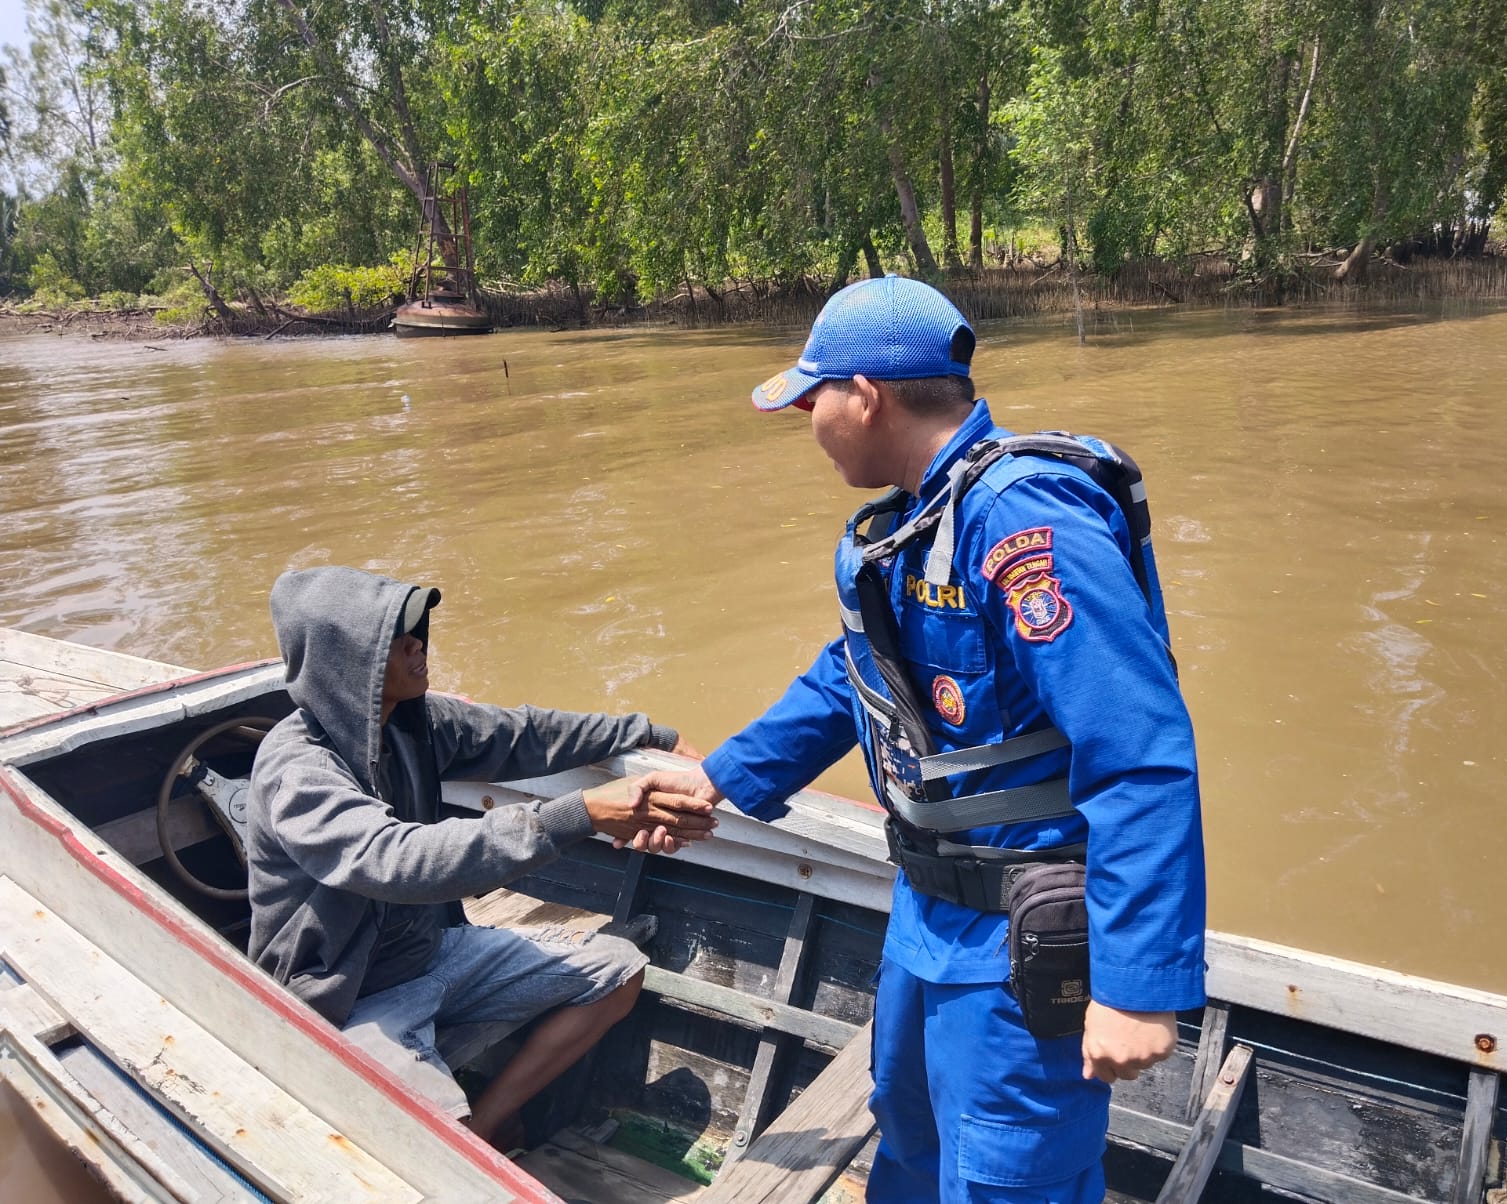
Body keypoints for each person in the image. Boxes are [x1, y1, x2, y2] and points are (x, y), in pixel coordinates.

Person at [631, 275, 1205, 1202]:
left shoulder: (1025, 522)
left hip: (1025, 937)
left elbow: (1138, 750)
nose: (806, 420)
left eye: (812, 399)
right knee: (909, 1142)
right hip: (927, 919)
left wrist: (1140, 985)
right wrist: (722, 780)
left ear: (866, 398)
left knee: (1009, 1181)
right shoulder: (913, 526)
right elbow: (849, 678)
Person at [246, 565, 715, 1150]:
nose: (418, 645)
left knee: (619, 972)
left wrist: (650, 734)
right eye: (394, 639)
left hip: (433, 953)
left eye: (417, 629)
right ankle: (470, 1136)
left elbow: (523, 734)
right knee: (449, 1158)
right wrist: (584, 814)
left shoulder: (413, 723)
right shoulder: (297, 769)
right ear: (347, 664)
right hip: (348, 995)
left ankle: (492, 1121)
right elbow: (396, 860)